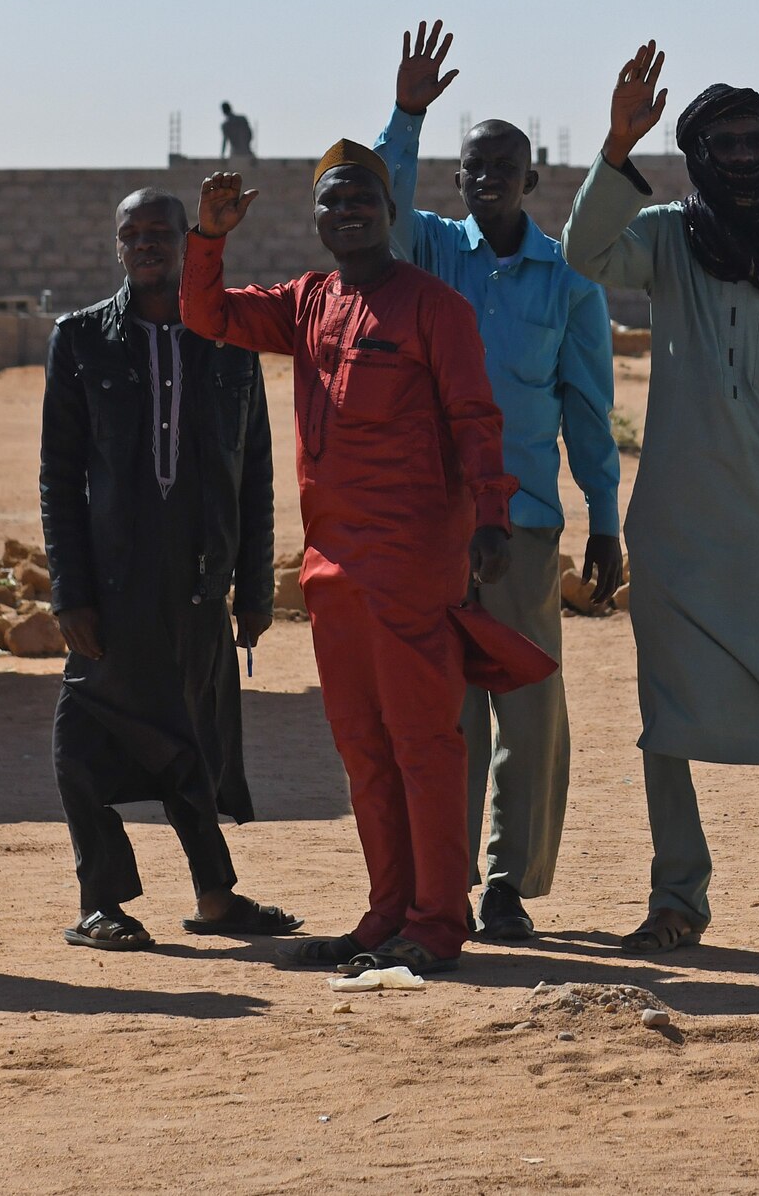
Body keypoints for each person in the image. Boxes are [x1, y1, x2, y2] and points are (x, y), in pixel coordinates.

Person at [179, 142, 523, 977]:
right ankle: (387, 914)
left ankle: (438, 922)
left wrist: (491, 516)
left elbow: (477, 417)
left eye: (362, 199)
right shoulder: (306, 303)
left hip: (411, 565)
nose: (348, 214)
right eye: (332, 203)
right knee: (362, 749)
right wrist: (208, 237)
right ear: (317, 219)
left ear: (389, 212)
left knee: (423, 745)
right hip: (332, 573)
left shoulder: (433, 308)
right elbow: (207, 314)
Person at [562, 43, 759, 958]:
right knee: (669, 723)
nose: (743, 154)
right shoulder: (666, 239)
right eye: (723, 141)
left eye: (755, 137)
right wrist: (616, 149)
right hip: (678, 538)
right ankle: (676, 900)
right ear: (696, 156)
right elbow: (584, 251)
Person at [370, 20, 622, 942]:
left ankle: (511, 881)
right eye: (472, 169)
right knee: (444, 710)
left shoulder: (569, 283)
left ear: (532, 178)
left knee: (527, 704)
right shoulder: (434, 252)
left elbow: (589, 411)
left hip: (521, 524)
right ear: (460, 181)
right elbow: (380, 201)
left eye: (503, 168)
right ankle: (449, 880)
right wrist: (407, 113)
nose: (487, 181)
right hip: (432, 523)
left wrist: (605, 519)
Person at [40, 188, 300, 951]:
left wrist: (253, 589)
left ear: (187, 244)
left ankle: (217, 898)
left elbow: (255, 470)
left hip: (199, 582)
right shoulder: (81, 339)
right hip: (112, 587)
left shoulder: (228, 341)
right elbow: (59, 474)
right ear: (116, 248)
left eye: (160, 232)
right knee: (80, 741)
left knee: (194, 740)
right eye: (132, 234)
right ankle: (102, 903)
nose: (146, 244)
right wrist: (69, 592)